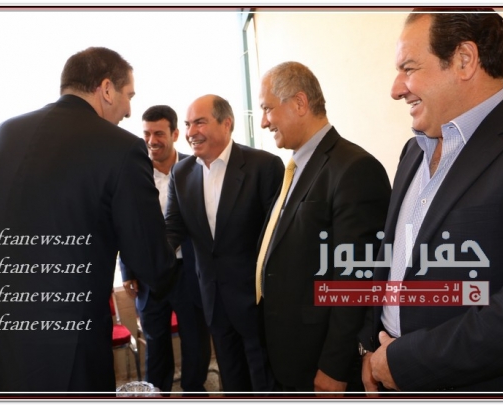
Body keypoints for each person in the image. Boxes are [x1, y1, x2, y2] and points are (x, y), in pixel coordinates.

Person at [0, 47, 176, 393]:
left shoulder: (1, 136)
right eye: (129, 95)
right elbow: (149, 259)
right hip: (60, 339)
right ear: (107, 89)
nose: (129, 110)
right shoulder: (121, 148)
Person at [359, 9, 503, 393]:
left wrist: (406, 362)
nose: (396, 89)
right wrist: (369, 346)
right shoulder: (414, 150)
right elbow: (391, 258)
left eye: (408, 69)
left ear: (464, 60)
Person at [257, 61, 391, 394]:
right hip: (288, 350)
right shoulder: (297, 166)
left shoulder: (354, 169)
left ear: (300, 103)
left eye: (267, 109)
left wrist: (334, 365)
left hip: (320, 360)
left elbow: (356, 280)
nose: (263, 122)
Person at [165, 94, 283, 393]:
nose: (191, 132)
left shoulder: (264, 166)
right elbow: (172, 229)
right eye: (188, 124)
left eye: (200, 122)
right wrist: (142, 254)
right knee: (231, 380)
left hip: (257, 301)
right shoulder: (181, 173)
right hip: (213, 299)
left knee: (264, 381)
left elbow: (278, 238)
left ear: (226, 123)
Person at [120, 105, 211, 394]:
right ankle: (157, 395)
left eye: (159, 133)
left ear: (174, 134)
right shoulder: (134, 174)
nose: (151, 140)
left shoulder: (196, 168)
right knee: (156, 344)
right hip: (149, 276)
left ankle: (194, 393)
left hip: (190, 271)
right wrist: (128, 270)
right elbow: (125, 224)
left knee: (195, 340)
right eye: (146, 133)